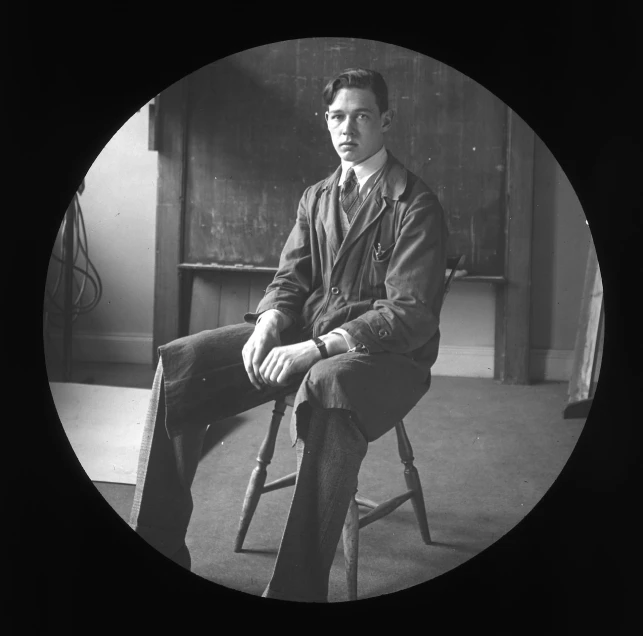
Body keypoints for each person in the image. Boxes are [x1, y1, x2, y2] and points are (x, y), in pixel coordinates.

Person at [129, 67, 449, 602]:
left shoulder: (415, 204)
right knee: (182, 361)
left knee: (327, 385)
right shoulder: (317, 197)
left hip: (383, 358)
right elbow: (289, 280)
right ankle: (154, 547)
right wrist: (269, 325)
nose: (348, 128)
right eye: (338, 117)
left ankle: (297, 594)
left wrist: (316, 348)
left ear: (386, 121)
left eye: (362, 116)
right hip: (304, 339)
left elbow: (411, 313)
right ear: (327, 122)